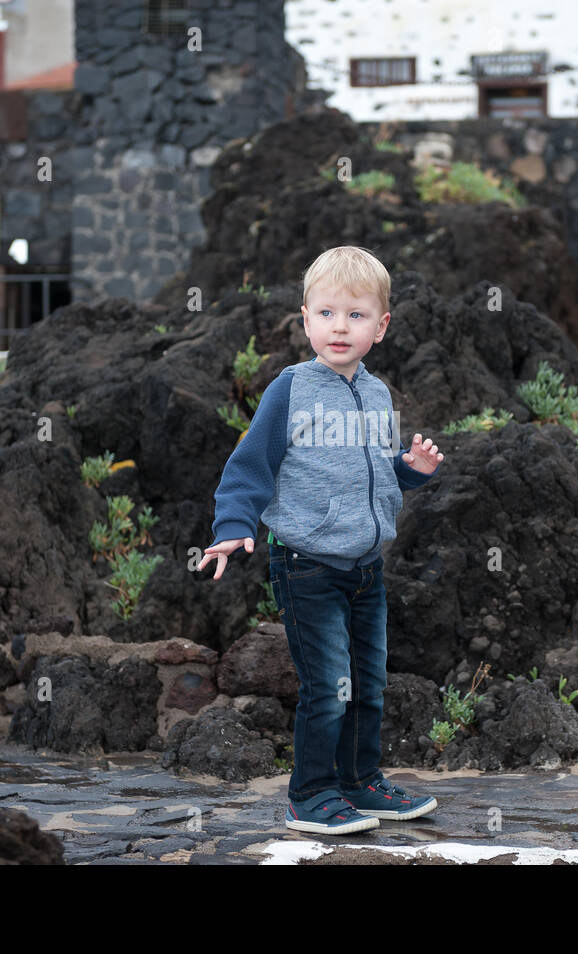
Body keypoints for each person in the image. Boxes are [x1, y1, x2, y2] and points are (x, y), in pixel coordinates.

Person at [197, 246, 445, 835]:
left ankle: (359, 783)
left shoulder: (379, 394)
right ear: (305, 318)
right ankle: (310, 794)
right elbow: (250, 464)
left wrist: (409, 470)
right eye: (327, 314)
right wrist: (234, 528)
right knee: (329, 686)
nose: (341, 327)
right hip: (307, 564)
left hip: (366, 567)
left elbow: (376, 474)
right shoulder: (291, 390)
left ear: (380, 327)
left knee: (370, 684)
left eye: (356, 316)